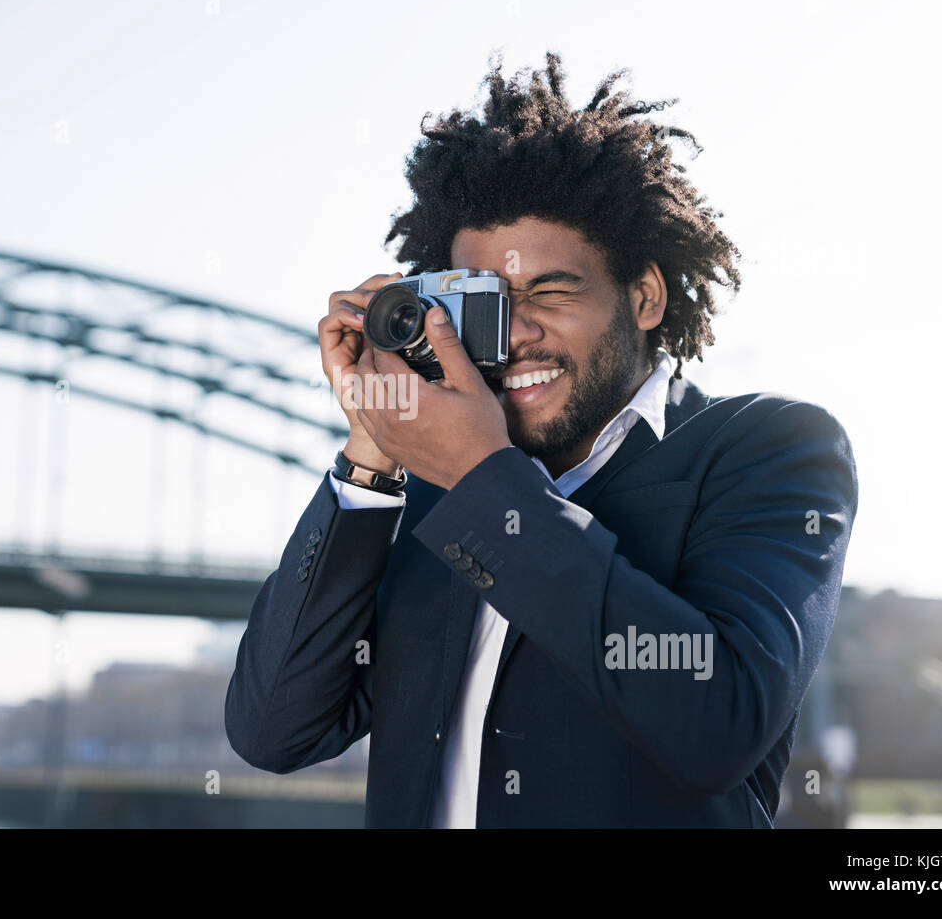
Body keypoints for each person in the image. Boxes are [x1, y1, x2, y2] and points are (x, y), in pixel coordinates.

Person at [225, 51, 858, 827]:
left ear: (645, 295)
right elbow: (273, 727)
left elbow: (716, 720)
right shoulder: (439, 488)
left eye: (551, 292)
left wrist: (481, 474)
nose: (516, 334)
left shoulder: (770, 448)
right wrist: (372, 455)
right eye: (486, 305)